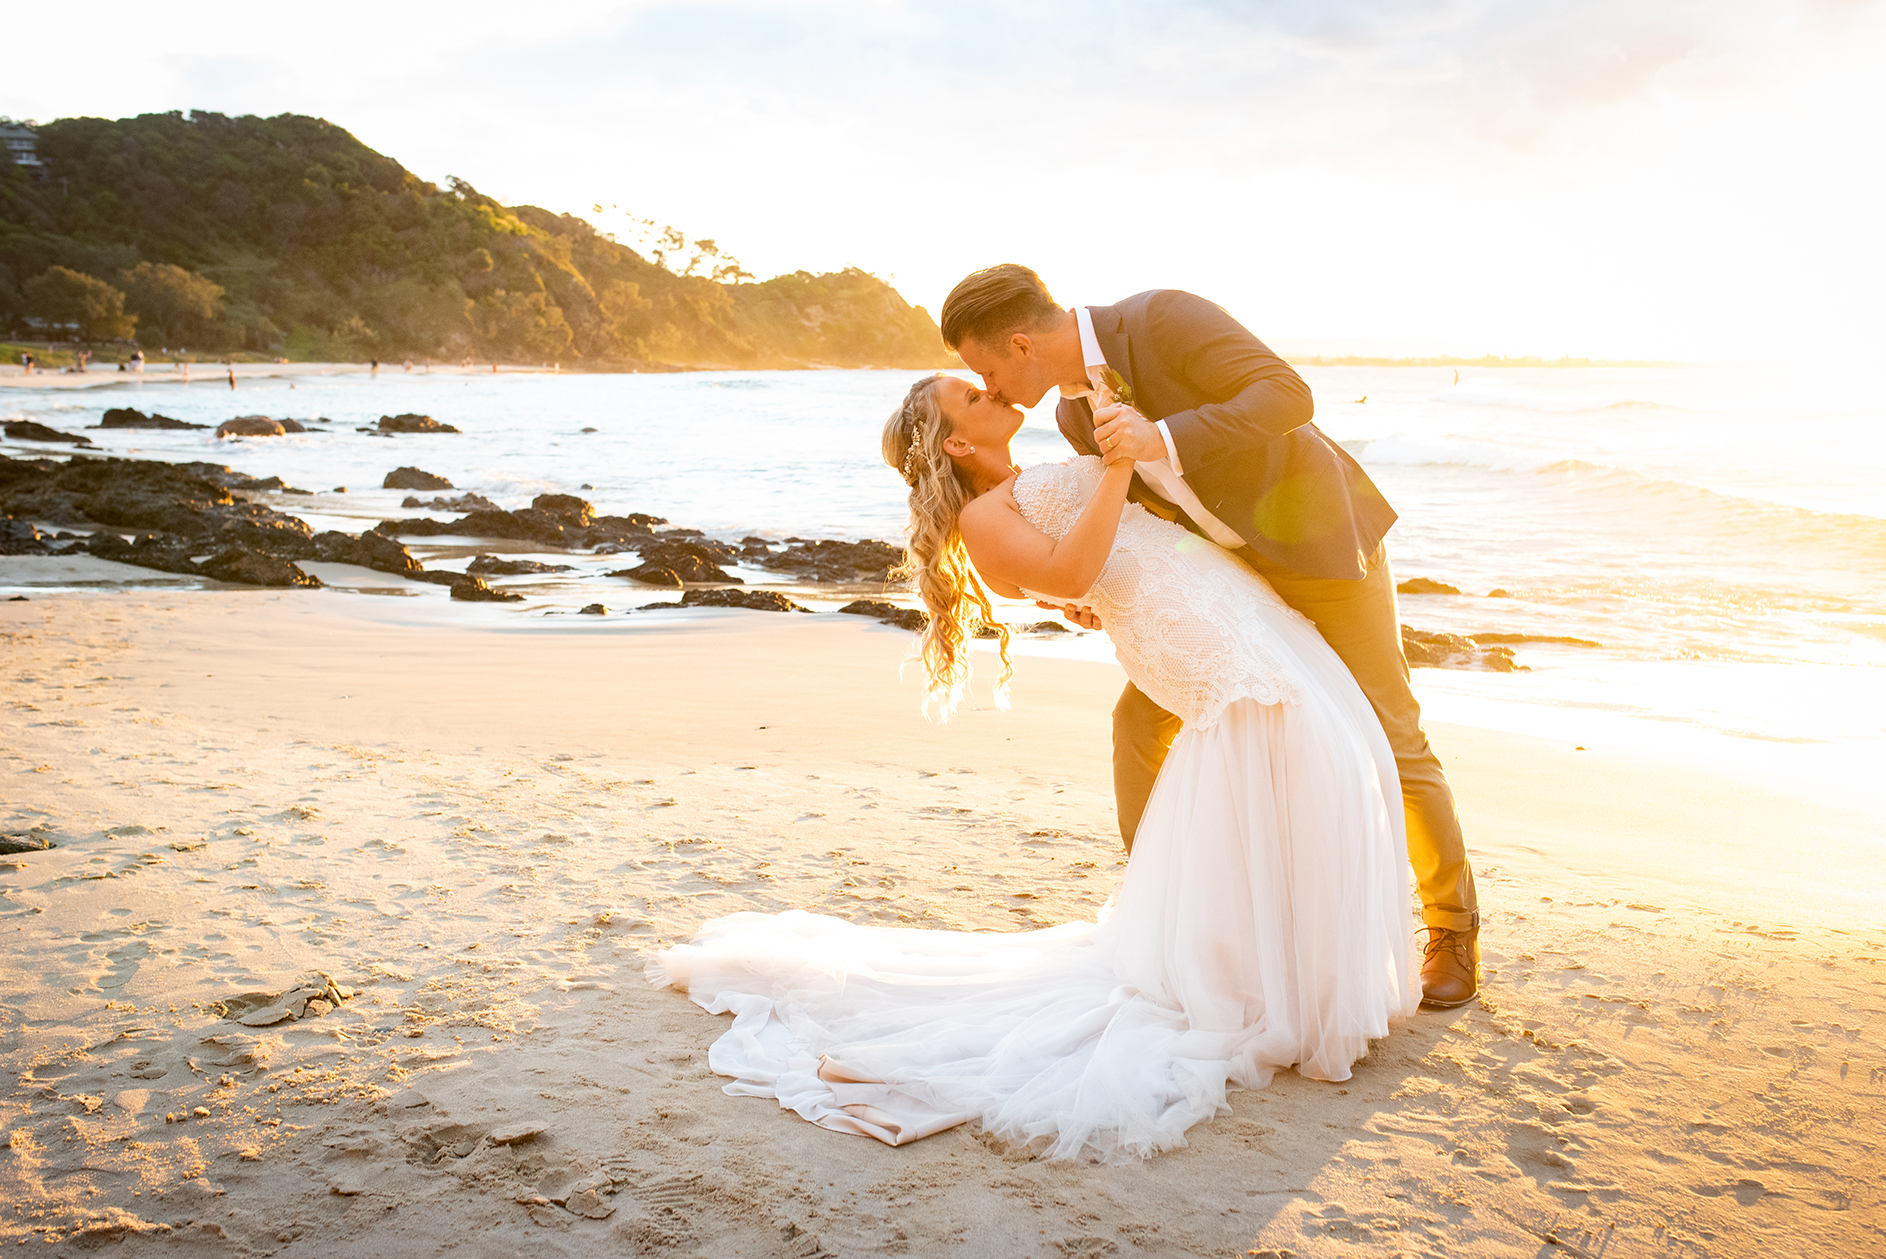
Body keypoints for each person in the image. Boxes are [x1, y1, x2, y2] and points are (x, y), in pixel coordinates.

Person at [650, 373, 1419, 1161]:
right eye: (973, 396)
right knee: (1287, 752)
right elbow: (1068, 573)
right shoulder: (985, 516)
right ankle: (1273, 988)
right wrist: (1117, 468)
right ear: (956, 440)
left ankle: (1286, 973)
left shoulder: (1029, 478)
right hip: (1206, 642)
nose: (992, 390)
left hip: (1227, 606)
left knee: (1313, 755)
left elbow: (1086, 563)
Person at [940, 265, 1480, 1008]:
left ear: (1022, 343)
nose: (992, 389)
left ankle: (1452, 929)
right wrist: (1090, 594)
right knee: (1137, 724)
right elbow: (1150, 515)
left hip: (1323, 551)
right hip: (1231, 588)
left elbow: (1289, 396)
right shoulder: (1070, 418)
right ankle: (1164, 920)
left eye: (987, 370)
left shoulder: (1160, 318)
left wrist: (1160, 435)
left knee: (1391, 731)